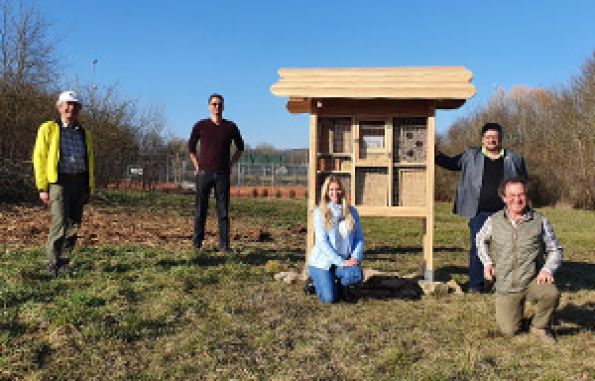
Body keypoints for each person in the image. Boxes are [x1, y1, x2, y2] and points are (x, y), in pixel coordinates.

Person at [436, 122, 528, 293]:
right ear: (482, 139)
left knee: (508, 249)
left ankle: (507, 285)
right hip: (480, 212)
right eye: (488, 137)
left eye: (495, 137)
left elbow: (523, 184)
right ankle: (476, 285)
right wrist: (435, 154)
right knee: (478, 248)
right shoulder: (471, 155)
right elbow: (451, 163)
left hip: (506, 213)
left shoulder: (514, 159)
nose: (492, 140)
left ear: (500, 139)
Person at [476, 177, 562, 343]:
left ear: (527, 196)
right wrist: (487, 262)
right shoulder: (494, 221)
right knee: (509, 331)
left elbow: (555, 250)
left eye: (521, 195)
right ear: (504, 198)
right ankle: (517, 314)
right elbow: (480, 240)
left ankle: (539, 327)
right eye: (512, 195)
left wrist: (547, 270)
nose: (517, 199)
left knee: (551, 293)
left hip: (532, 279)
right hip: (506, 284)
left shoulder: (540, 221)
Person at [32, 90, 94, 277]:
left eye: (75, 105)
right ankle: (52, 263)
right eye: (67, 104)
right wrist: (42, 187)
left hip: (79, 182)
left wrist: (89, 187)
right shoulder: (49, 128)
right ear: (59, 107)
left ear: (79, 109)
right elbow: (39, 157)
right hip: (58, 182)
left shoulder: (84, 133)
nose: (71, 108)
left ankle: (64, 262)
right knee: (59, 224)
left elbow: (89, 159)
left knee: (74, 224)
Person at [188, 94, 244, 252]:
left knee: (223, 211)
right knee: (200, 210)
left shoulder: (230, 127)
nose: (217, 107)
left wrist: (231, 164)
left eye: (220, 104)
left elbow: (240, 147)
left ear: (223, 107)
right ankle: (197, 244)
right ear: (209, 106)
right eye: (214, 104)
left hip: (222, 175)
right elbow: (191, 147)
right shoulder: (201, 125)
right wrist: (196, 165)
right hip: (204, 174)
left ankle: (224, 246)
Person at [308, 176, 365, 304]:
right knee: (329, 299)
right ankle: (315, 282)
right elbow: (322, 243)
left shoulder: (352, 212)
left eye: (338, 189)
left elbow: (359, 238)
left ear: (342, 191)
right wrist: (341, 262)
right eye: (331, 189)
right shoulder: (320, 212)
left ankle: (340, 284)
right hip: (323, 262)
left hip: (345, 259)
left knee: (356, 274)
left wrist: (355, 257)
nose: (335, 193)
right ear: (327, 192)